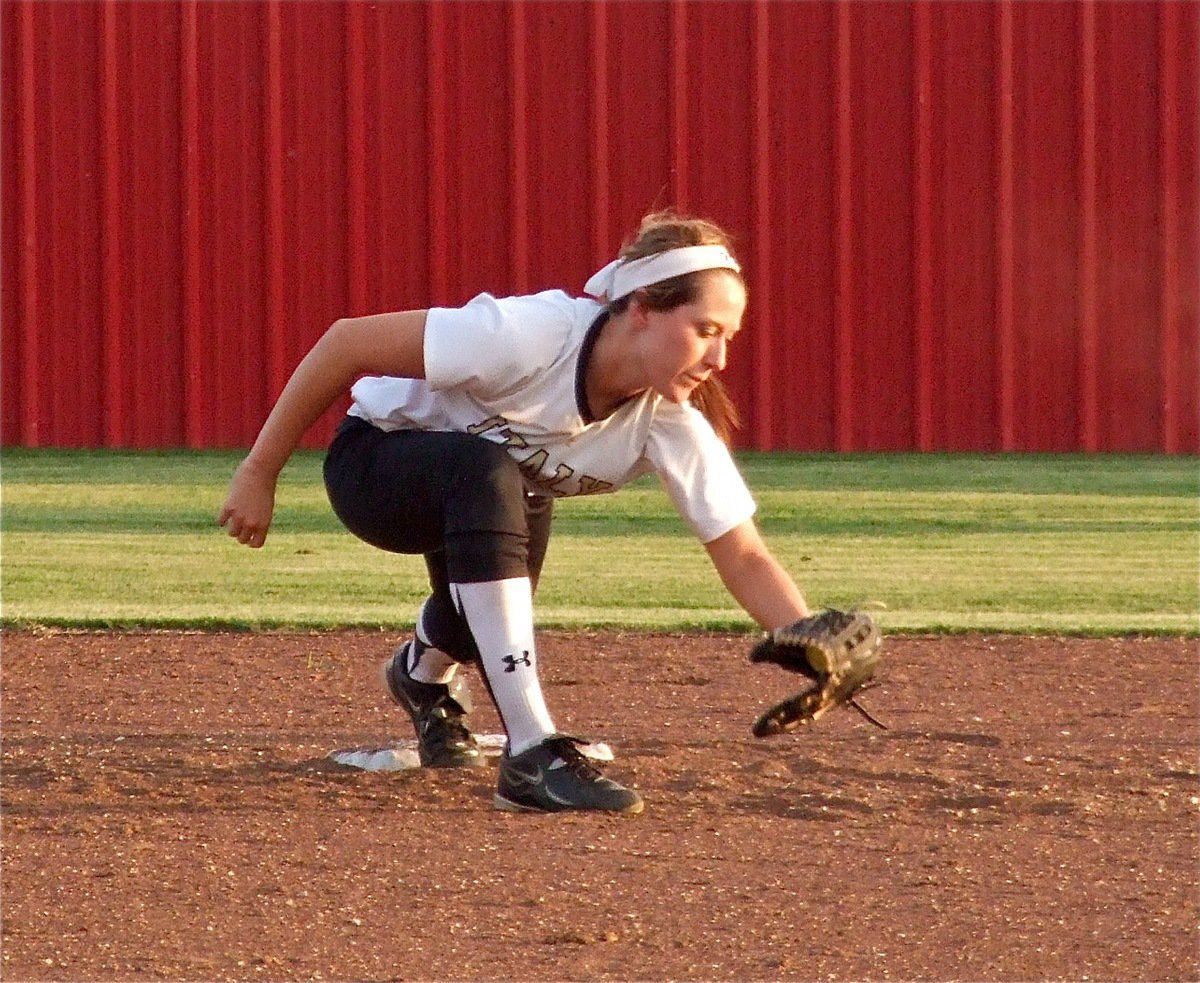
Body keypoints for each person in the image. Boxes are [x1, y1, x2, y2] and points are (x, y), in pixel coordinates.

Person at [218, 210, 811, 816]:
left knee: (494, 605)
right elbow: (345, 342)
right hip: (377, 467)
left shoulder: (669, 421)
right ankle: (531, 751)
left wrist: (808, 634)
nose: (720, 357)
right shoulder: (533, 334)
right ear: (641, 309)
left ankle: (420, 678)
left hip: (492, 497)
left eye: (728, 337)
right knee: (490, 474)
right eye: (705, 328)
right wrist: (259, 472)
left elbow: (744, 552)